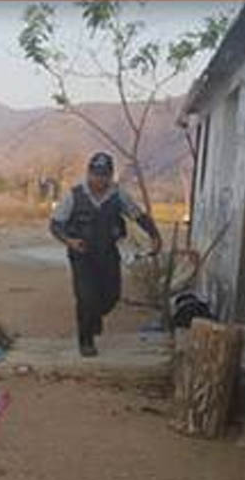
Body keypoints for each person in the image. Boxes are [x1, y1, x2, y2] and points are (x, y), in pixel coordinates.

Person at [49, 152, 162, 357]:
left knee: (112, 296)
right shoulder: (74, 195)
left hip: (108, 253)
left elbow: (138, 216)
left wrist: (154, 235)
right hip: (82, 254)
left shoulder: (118, 195)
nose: (99, 180)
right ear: (89, 173)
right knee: (85, 298)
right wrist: (69, 241)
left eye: (104, 175)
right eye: (95, 174)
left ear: (110, 176)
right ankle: (86, 341)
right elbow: (55, 225)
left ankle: (94, 317)